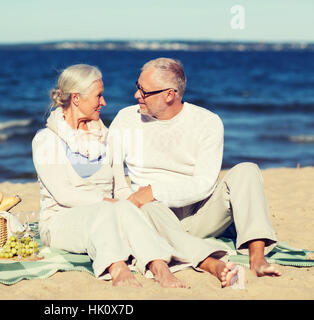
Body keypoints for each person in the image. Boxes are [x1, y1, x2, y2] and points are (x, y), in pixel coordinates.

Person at [32, 64, 242, 289]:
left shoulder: (105, 136)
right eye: (99, 96)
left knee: (139, 209)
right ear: (76, 99)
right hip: (61, 221)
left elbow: (120, 188)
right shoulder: (46, 141)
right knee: (116, 209)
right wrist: (116, 205)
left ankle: (163, 266)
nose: (104, 102)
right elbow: (65, 196)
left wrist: (131, 203)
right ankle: (117, 267)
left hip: (110, 213)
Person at [109, 57, 281, 278]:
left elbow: (204, 184)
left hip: (198, 217)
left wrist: (155, 191)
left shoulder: (207, 122)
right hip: (149, 216)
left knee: (247, 170)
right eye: (137, 87)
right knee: (149, 207)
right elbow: (112, 172)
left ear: (169, 94)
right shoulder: (126, 118)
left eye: (144, 91)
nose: (136, 95)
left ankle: (257, 259)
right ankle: (206, 259)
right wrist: (131, 202)